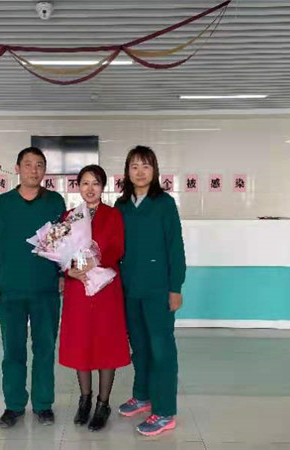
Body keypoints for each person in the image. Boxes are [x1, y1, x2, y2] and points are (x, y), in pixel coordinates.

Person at [0, 147, 66, 428]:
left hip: (46, 289)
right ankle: (14, 405)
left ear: (45, 170)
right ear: (17, 168)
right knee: (13, 350)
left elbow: (65, 242)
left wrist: (63, 273)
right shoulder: (2, 204)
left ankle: (43, 404)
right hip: (11, 288)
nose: (34, 170)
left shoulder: (54, 202)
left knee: (45, 349)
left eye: (39, 165)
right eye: (28, 164)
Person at [114, 145, 186, 437]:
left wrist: (175, 288)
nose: (140, 172)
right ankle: (142, 396)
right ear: (127, 171)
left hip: (158, 288)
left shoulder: (164, 203)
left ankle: (165, 411)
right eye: (134, 166)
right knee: (140, 346)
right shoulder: (121, 205)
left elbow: (175, 248)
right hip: (129, 288)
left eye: (146, 166)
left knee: (161, 348)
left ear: (155, 170)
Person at [59, 165, 131, 432]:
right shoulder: (70, 216)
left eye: (96, 183)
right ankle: (85, 400)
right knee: (82, 342)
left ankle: (103, 404)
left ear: (103, 187)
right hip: (78, 288)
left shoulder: (113, 215)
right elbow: (60, 252)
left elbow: (118, 248)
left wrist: (95, 260)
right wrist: (68, 270)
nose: (90, 189)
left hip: (105, 288)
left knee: (105, 343)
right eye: (85, 183)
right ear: (78, 186)